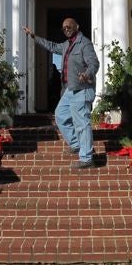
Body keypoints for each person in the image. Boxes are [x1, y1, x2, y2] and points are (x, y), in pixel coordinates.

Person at [22, 18, 99, 169]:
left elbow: (94, 63)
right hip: (70, 89)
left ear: (77, 26)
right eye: (64, 28)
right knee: (60, 115)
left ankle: (86, 158)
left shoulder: (84, 43)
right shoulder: (65, 45)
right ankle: (77, 145)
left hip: (82, 88)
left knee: (81, 123)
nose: (66, 29)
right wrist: (34, 36)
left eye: (69, 26)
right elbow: (51, 46)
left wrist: (87, 74)